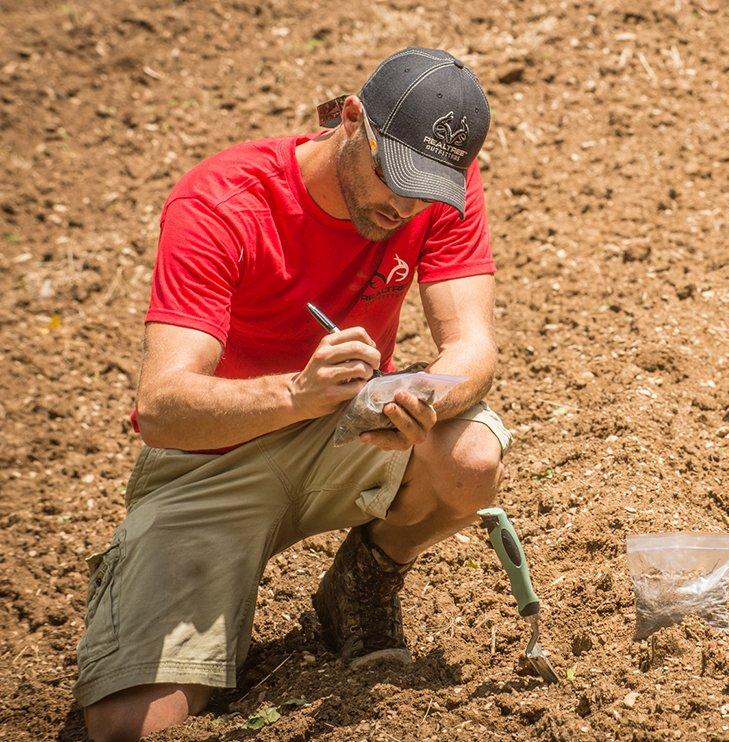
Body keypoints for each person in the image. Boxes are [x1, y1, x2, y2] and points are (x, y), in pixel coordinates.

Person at [74, 48, 509, 741]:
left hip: (349, 428)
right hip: (212, 456)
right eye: (390, 176)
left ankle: (365, 578)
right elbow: (161, 409)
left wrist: (419, 399)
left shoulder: (439, 181)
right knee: (128, 726)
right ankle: (213, 614)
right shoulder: (223, 201)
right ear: (351, 119)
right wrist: (297, 394)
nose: (403, 205)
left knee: (471, 457)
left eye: (425, 189)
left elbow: (472, 349)